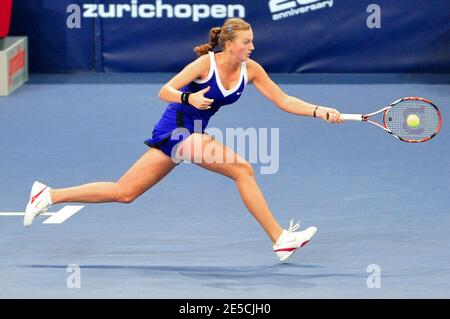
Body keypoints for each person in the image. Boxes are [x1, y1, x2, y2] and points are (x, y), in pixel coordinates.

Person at [24, 18, 342, 262]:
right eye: (247, 42)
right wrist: (190, 101)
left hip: (190, 133)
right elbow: (165, 91)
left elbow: (283, 100)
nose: (252, 47)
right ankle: (279, 238)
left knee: (124, 192)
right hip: (177, 130)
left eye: (252, 43)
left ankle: (48, 196)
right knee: (242, 169)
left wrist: (319, 110)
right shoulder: (206, 64)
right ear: (230, 45)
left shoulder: (252, 69)